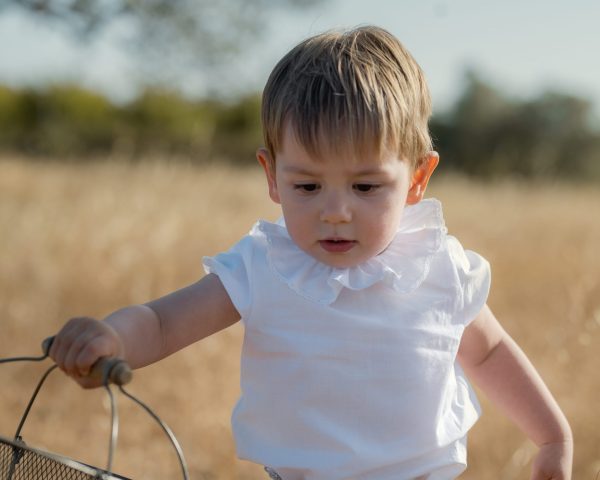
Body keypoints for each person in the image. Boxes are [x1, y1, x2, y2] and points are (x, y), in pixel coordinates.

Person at [49, 26, 573, 479]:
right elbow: (164, 323)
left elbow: (487, 351)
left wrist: (552, 436)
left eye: (366, 187)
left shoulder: (436, 265)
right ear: (272, 177)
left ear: (417, 179)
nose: (336, 212)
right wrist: (114, 335)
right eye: (307, 187)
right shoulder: (265, 264)